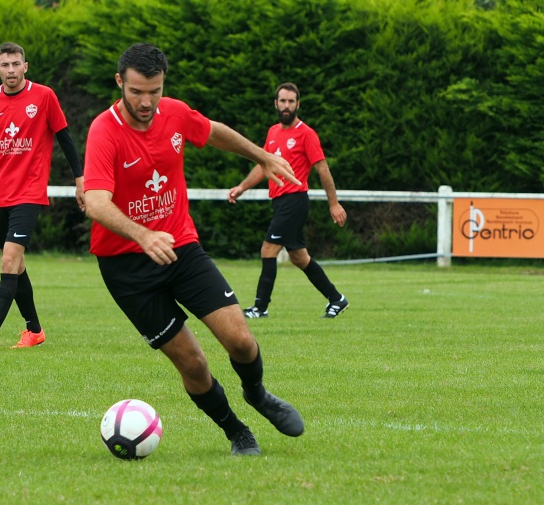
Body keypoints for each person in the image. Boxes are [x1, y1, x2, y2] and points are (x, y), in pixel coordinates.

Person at [83, 43, 304, 455]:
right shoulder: (104, 131)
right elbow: (95, 201)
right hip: (126, 268)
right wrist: (143, 235)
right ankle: (237, 432)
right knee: (193, 363)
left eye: (155, 91)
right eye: (136, 92)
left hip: (181, 247)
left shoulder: (174, 112)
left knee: (240, 340)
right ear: (119, 83)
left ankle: (256, 394)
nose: (146, 102)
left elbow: (211, 130)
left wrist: (262, 156)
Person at [0, 42, 85, 351]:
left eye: (16, 64)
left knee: (9, 259)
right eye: (5, 65)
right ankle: (34, 330)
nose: (11, 70)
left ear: (26, 66)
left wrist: (80, 180)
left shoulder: (44, 96)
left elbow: (65, 139)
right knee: (17, 264)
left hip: (30, 192)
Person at [228, 82, 349, 319]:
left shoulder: (306, 134)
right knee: (299, 257)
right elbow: (264, 166)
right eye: (282, 101)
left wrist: (333, 203)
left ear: (298, 105)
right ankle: (337, 298)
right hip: (280, 202)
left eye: (291, 101)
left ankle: (260, 308)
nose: (286, 106)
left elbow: (323, 170)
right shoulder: (273, 132)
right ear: (276, 104)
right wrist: (241, 187)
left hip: (294, 200)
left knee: (267, 250)